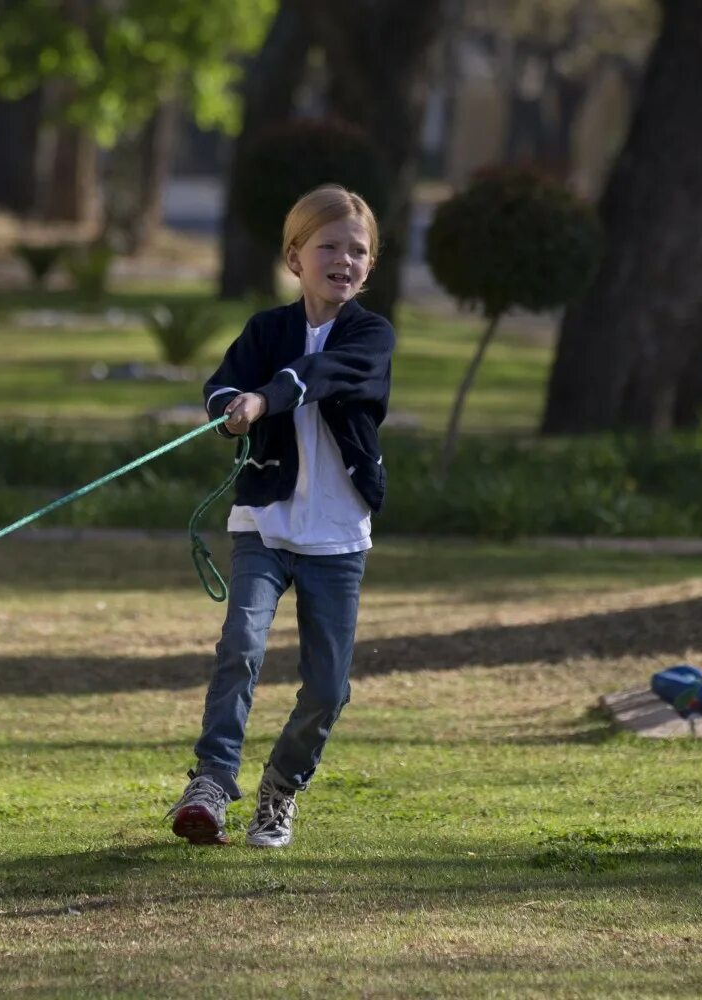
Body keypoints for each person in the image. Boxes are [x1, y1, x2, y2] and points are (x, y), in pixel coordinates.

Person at [168, 184, 395, 848]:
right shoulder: (266, 330)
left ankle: (281, 788)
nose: (344, 261)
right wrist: (230, 406)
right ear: (295, 256)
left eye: (358, 251)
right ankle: (210, 782)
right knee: (240, 646)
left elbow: (316, 376)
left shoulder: (370, 336)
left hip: (336, 536)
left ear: (370, 265)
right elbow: (218, 387)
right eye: (329, 246)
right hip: (264, 526)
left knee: (328, 688)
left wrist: (265, 400)